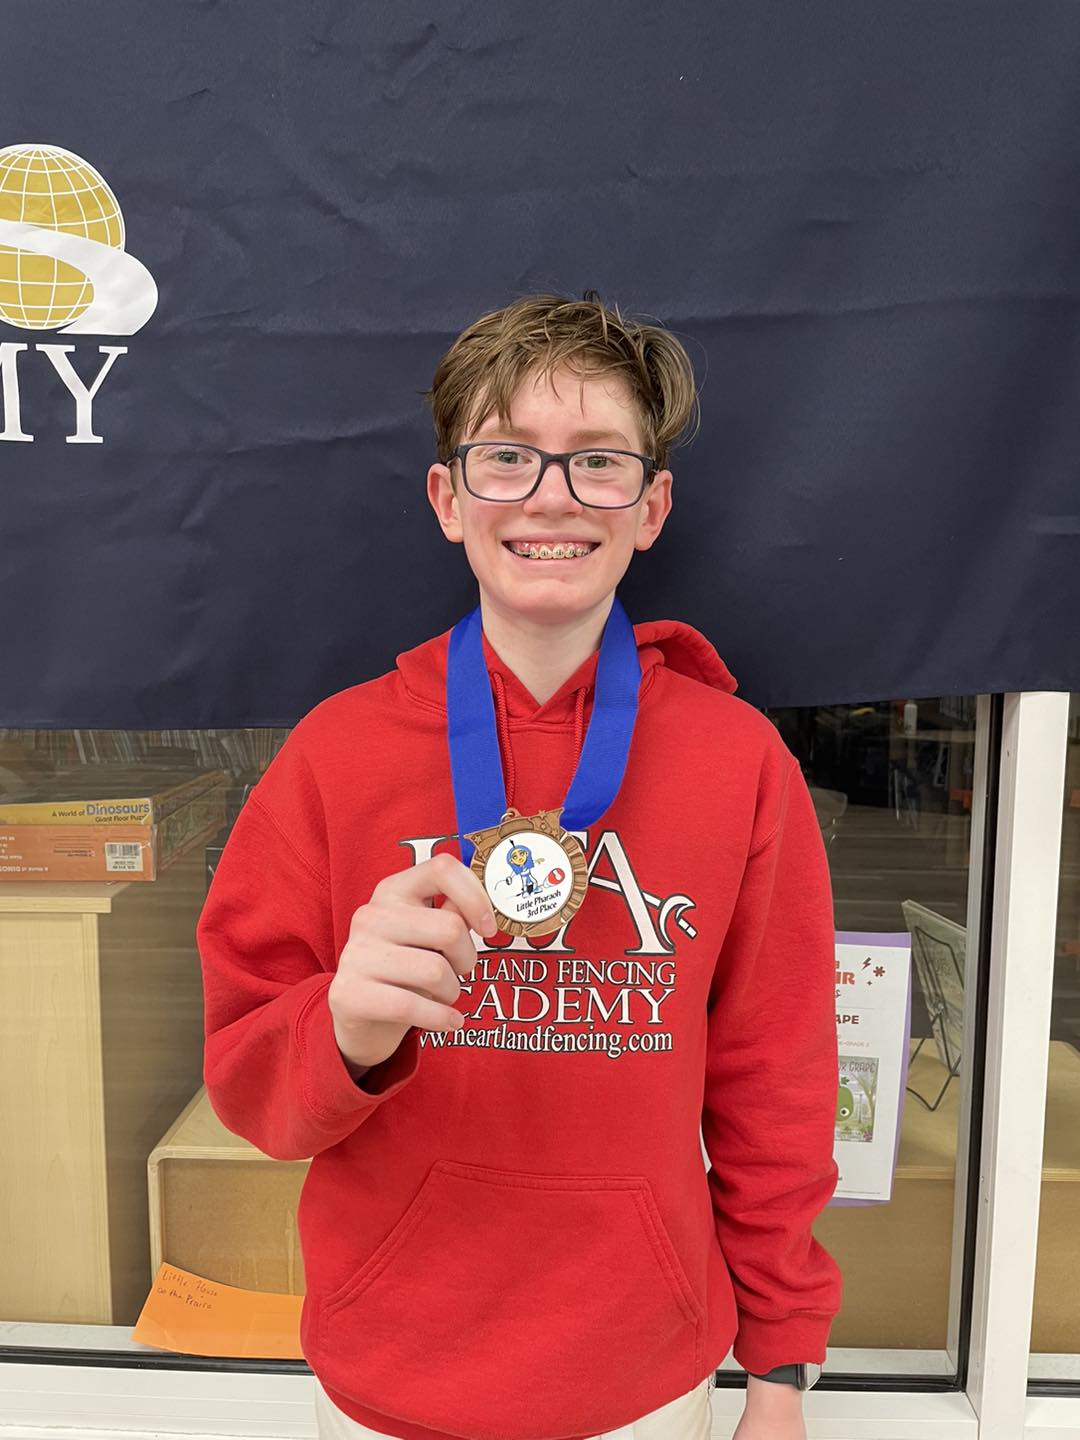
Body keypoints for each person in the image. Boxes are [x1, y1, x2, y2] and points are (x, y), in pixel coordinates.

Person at [196, 291, 842, 1440]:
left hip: (648, 1377)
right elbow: (252, 1095)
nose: (552, 496)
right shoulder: (334, 754)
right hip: (389, 1370)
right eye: (506, 457)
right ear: (449, 500)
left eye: (598, 460)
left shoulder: (740, 762)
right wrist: (342, 1027)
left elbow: (776, 1088)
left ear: (651, 507)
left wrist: (780, 1370)